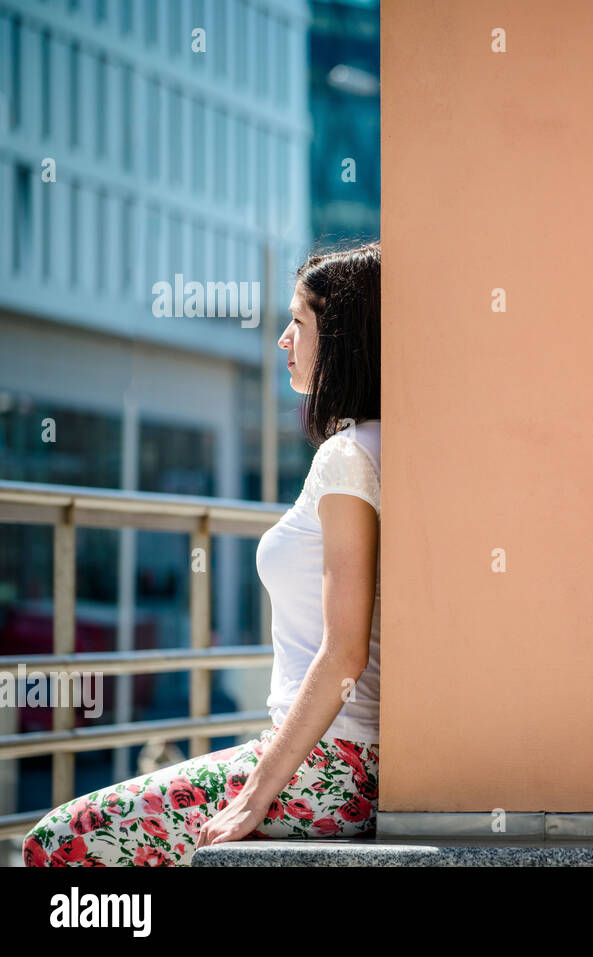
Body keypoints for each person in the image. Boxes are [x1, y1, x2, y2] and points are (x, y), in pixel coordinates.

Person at [23, 242, 383, 866]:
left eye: (298, 322)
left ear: (343, 340)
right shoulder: (385, 445)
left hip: (333, 766)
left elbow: (344, 651)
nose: (281, 339)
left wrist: (254, 795)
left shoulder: (348, 457)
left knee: (60, 842)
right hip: (346, 762)